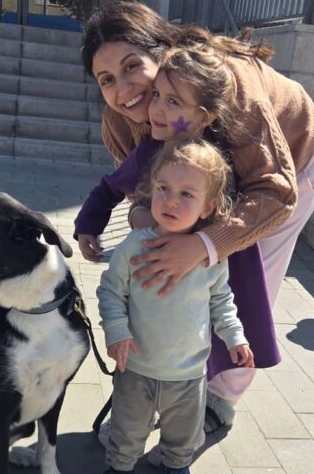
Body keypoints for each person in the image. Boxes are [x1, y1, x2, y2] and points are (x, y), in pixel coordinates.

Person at [81, 0, 314, 429]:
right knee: (173, 272)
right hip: (200, 181)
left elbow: (274, 191)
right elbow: (141, 189)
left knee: (245, 278)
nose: (124, 90)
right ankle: (165, 383)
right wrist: (145, 218)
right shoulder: (120, 121)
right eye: (106, 80)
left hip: (281, 168)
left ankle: (220, 397)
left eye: (132, 66)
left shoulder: (229, 85)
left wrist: (205, 244)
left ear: (161, 52)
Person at [75, 44, 280, 441]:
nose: (156, 109)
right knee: (150, 331)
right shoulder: (148, 153)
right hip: (154, 266)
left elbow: (245, 210)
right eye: (157, 96)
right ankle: (136, 412)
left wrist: (207, 245)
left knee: (202, 335)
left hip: (209, 265)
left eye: (173, 102)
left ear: (204, 117)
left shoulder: (218, 160)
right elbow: (109, 187)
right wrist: (88, 224)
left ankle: (186, 424)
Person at [98, 139, 255, 474]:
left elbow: (221, 301)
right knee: (126, 432)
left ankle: (175, 466)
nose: (170, 200)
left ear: (208, 206)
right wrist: (116, 330)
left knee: (182, 438)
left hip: (189, 373)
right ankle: (120, 467)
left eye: (186, 194)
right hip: (136, 368)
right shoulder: (134, 245)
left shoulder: (210, 257)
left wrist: (235, 336)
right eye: (163, 188)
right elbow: (111, 291)